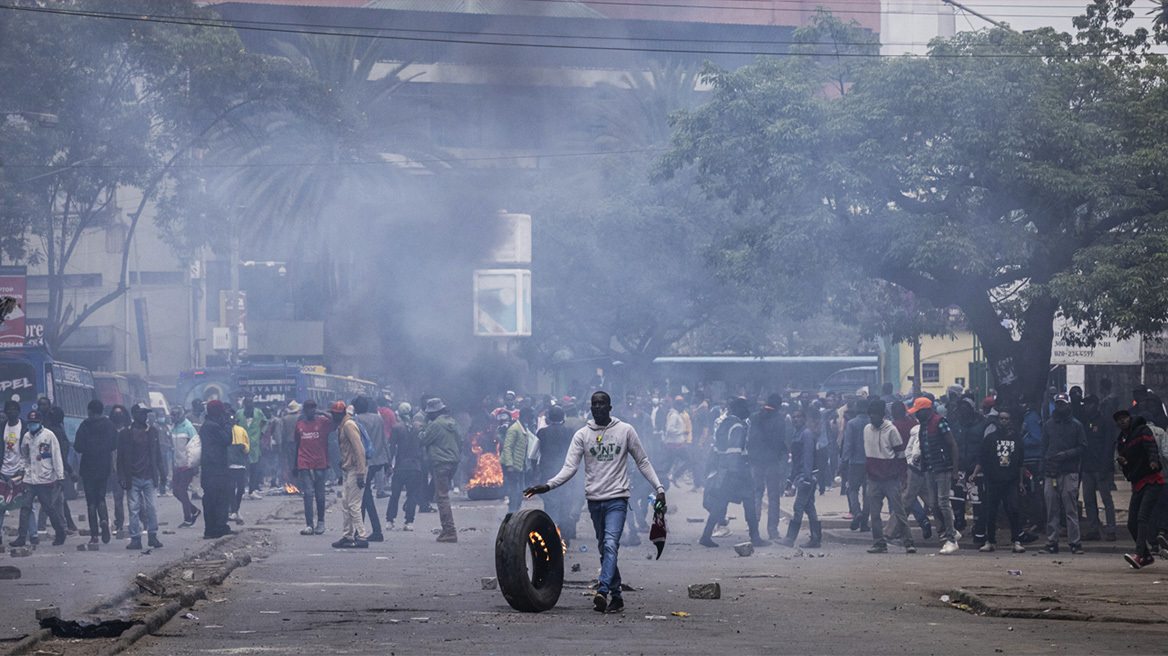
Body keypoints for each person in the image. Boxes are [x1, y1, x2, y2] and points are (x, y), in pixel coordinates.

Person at [524, 391, 666, 615]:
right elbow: (570, 468)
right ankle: (617, 597)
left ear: (610, 407)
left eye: (602, 404)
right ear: (590, 408)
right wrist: (548, 485)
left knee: (610, 545)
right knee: (604, 548)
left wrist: (659, 488)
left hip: (617, 499)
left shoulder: (625, 431)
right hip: (594, 501)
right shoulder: (582, 435)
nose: (597, 407)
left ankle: (602, 589)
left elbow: (643, 460)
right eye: (594, 404)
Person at [700, 398, 768, 548]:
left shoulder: (725, 424)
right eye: (745, 408)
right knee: (749, 501)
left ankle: (706, 535)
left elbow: (717, 450)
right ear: (739, 409)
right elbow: (734, 451)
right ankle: (755, 537)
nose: (747, 411)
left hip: (724, 471)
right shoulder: (737, 426)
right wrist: (736, 473)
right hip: (736, 471)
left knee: (720, 504)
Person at [971, 409, 1026, 553]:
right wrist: (975, 473)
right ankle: (990, 541)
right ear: (998, 420)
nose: (1004, 421)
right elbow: (982, 458)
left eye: (1006, 419)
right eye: (1001, 419)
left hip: (1010, 481)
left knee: (1013, 510)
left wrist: (1020, 482)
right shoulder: (990, 438)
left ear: (1010, 421)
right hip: (993, 480)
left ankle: (1016, 540)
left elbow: (1021, 462)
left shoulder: (1016, 438)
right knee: (991, 511)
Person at [863, 398, 914, 554]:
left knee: (899, 512)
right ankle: (879, 542)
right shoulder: (866, 429)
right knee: (875, 513)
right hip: (873, 478)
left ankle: (909, 542)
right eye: (871, 414)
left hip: (890, 478)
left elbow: (900, 455)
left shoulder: (891, 430)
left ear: (882, 415)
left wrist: (903, 476)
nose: (873, 417)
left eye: (876, 414)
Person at [1115, 410, 1164, 569]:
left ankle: (1138, 555)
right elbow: (1126, 464)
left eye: (1124, 418)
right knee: (1131, 523)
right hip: (1138, 482)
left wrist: (1153, 461)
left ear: (1130, 418)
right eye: (1119, 420)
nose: (1122, 421)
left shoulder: (1142, 430)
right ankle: (1146, 555)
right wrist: (1123, 464)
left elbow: (1151, 447)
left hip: (1152, 480)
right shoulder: (1121, 440)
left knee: (1142, 517)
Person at [10, 411, 67, 547]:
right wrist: (22, 469)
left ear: (40, 423)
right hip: (29, 478)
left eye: (34, 423)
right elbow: (23, 455)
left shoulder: (49, 436)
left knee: (48, 507)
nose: (32, 425)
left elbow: (56, 456)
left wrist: (60, 476)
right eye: (30, 423)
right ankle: (22, 536)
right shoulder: (26, 437)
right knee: (25, 508)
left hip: (45, 478)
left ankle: (60, 533)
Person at [913, 397, 961, 555]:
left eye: (918, 412)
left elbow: (953, 445)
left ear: (926, 410)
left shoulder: (940, 422)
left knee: (943, 502)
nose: (916, 416)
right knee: (933, 504)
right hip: (930, 469)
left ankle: (951, 539)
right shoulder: (924, 425)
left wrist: (954, 470)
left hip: (943, 468)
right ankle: (949, 532)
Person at [1040, 393, 1087, 555]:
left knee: (1070, 509)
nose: (1060, 406)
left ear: (1068, 405)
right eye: (1057, 403)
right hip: (1051, 472)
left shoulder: (1076, 425)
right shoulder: (1048, 425)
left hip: (1069, 471)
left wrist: (1067, 454)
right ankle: (1052, 542)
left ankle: (1075, 543)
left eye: (1063, 404)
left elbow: (1083, 448)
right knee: (1051, 510)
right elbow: (1043, 447)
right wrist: (1043, 469)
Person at [117, 403, 166, 550]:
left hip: (150, 476)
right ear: (135, 415)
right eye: (142, 413)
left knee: (151, 508)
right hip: (133, 477)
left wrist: (162, 474)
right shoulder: (125, 434)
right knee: (134, 509)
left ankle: (152, 535)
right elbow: (120, 457)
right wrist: (121, 476)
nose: (145, 416)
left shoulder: (153, 432)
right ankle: (135, 538)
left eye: (146, 413)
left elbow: (157, 455)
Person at [748, 393, 791, 541]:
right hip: (772, 462)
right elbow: (780, 441)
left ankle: (754, 528)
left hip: (757, 462)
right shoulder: (779, 420)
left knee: (756, 494)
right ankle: (773, 531)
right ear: (779, 405)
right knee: (773, 497)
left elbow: (751, 439)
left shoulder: (755, 417)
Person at [73, 400, 117, 545]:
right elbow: (114, 444)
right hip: (104, 467)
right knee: (101, 498)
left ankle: (94, 535)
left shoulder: (84, 425)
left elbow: (78, 447)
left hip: (88, 468)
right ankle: (104, 520)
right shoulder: (109, 425)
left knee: (91, 502)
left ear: (90, 411)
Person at [419, 397, 461, 543]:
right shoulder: (453, 422)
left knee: (442, 497)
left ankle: (450, 531)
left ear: (434, 412)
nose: (428, 415)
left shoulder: (436, 425)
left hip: (441, 464)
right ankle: (446, 530)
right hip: (453, 463)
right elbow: (460, 440)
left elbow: (422, 439)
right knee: (442, 495)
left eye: (429, 413)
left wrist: (423, 424)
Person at [780, 408, 822, 549]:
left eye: (799, 417)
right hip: (801, 476)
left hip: (807, 477)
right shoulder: (797, 435)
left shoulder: (806, 434)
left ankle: (789, 539)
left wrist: (807, 478)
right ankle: (816, 539)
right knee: (809, 508)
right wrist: (790, 479)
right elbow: (796, 461)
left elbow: (808, 457)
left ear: (804, 419)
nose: (796, 419)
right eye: (794, 417)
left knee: (798, 507)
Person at [329, 401, 368, 549]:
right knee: (345, 504)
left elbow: (360, 450)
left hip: (355, 470)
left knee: (353, 505)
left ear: (338, 414)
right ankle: (347, 535)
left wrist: (360, 473)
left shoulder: (349, 426)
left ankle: (362, 536)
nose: (331, 416)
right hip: (348, 469)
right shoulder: (343, 425)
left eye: (333, 414)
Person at [1078, 394, 1116, 541]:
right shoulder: (1084, 422)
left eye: (1089, 403)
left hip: (1101, 467)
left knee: (1106, 499)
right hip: (1087, 466)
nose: (1087, 406)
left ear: (1096, 404)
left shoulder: (1105, 421)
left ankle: (1111, 529)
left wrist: (1105, 466)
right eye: (1085, 404)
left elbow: (1109, 446)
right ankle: (1093, 529)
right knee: (1088, 499)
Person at [536, 405, 574, 542]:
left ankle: (551, 538)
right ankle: (565, 538)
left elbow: (533, 455)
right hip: (566, 475)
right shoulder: (570, 432)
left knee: (551, 505)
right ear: (563, 417)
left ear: (549, 417)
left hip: (548, 475)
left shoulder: (542, 433)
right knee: (565, 505)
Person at [294, 400, 331, 535]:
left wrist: (322, 412)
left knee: (320, 495)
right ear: (304, 410)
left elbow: (337, 421)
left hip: (320, 464)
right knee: (308, 495)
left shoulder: (323, 423)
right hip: (304, 463)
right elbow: (298, 444)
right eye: (308, 408)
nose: (310, 411)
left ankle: (320, 523)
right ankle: (309, 525)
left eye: (313, 408)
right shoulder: (299, 425)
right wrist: (295, 464)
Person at [198, 400, 234, 540]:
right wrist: (226, 423)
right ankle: (218, 528)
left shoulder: (207, 425)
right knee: (219, 499)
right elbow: (227, 439)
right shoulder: (213, 426)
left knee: (211, 499)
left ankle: (212, 529)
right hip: (216, 469)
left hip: (209, 470)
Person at [353, 396, 387, 541]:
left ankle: (372, 531)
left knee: (365, 496)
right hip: (378, 459)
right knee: (365, 495)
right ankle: (363, 530)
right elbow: (384, 439)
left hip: (364, 461)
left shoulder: (355, 421)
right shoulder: (378, 419)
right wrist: (388, 461)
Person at [386, 404, 422, 532]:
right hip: (416, 466)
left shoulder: (397, 428)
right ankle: (409, 522)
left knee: (394, 494)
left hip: (401, 466)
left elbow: (392, 448)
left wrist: (389, 464)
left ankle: (390, 520)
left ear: (399, 414)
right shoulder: (419, 427)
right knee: (412, 495)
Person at [169, 405, 202, 528]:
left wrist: (195, 465)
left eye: (175, 414)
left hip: (187, 465)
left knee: (182, 490)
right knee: (175, 491)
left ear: (181, 415)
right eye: (171, 414)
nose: (172, 417)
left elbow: (196, 447)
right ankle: (194, 510)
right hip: (177, 464)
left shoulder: (189, 427)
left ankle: (188, 518)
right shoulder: (174, 428)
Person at [841, 400, 869, 532]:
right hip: (870, 462)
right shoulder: (871, 422)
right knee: (867, 492)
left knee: (852, 489)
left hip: (854, 462)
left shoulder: (852, 423)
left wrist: (844, 461)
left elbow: (848, 445)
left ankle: (856, 511)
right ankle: (864, 522)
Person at [501, 407, 536, 513]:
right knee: (514, 492)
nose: (531, 420)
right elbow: (507, 447)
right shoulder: (514, 429)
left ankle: (514, 512)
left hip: (520, 465)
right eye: (530, 417)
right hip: (512, 466)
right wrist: (509, 465)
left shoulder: (524, 429)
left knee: (520, 492)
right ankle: (511, 513)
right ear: (525, 417)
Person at [0, 401, 25, 544]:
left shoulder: (25, 426)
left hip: (19, 471)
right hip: (3, 471)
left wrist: (22, 470)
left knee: (27, 505)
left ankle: (31, 534)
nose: (12, 411)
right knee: (1, 505)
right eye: (9, 409)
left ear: (19, 411)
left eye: (15, 408)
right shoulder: (2, 427)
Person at [236, 394, 267, 499]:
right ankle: (242, 490)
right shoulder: (239, 413)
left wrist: (261, 432)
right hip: (241, 444)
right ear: (245, 403)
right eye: (247, 401)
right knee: (243, 468)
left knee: (254, 468)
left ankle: (252, 490)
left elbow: (265, 422)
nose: (249, 403)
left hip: (254, 444)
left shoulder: (258, 412)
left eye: (251, 401)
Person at [107, 405, 130, 535]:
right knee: (118, 499)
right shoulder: (110, 431)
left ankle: (141, 521)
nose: (118, 415)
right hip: (115, 469)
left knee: (135, 498)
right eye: (115, 413)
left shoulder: (129, 430)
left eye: (120, 413)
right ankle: (119, 523)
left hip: (129, 469)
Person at [226, 408, 249, 526]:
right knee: (230, 488)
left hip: (240, 464)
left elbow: (247, 446)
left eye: (232, 416)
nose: (231, 419)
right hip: (229, 465)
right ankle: (234, 510)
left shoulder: (241, 430)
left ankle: (236, 509)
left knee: (240, 488)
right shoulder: (224, 431)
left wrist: (243, 446)